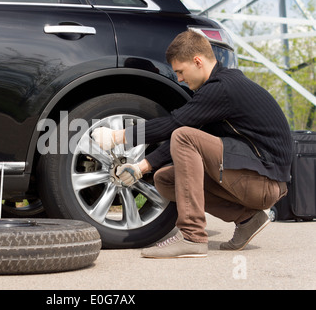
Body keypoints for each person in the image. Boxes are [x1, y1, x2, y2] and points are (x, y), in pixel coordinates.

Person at [91, 30, 292, 258]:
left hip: (265, 182)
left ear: (197, 61)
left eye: (180, 71)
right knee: (165, 180)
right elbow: (192, 131)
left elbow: (175, 126)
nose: (179, 79)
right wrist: (141, 168)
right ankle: (247, 219)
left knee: (183, 135)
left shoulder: (221, 89)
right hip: (256, 176)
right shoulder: (219, 89)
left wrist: (119, 136)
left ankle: (192, 236)